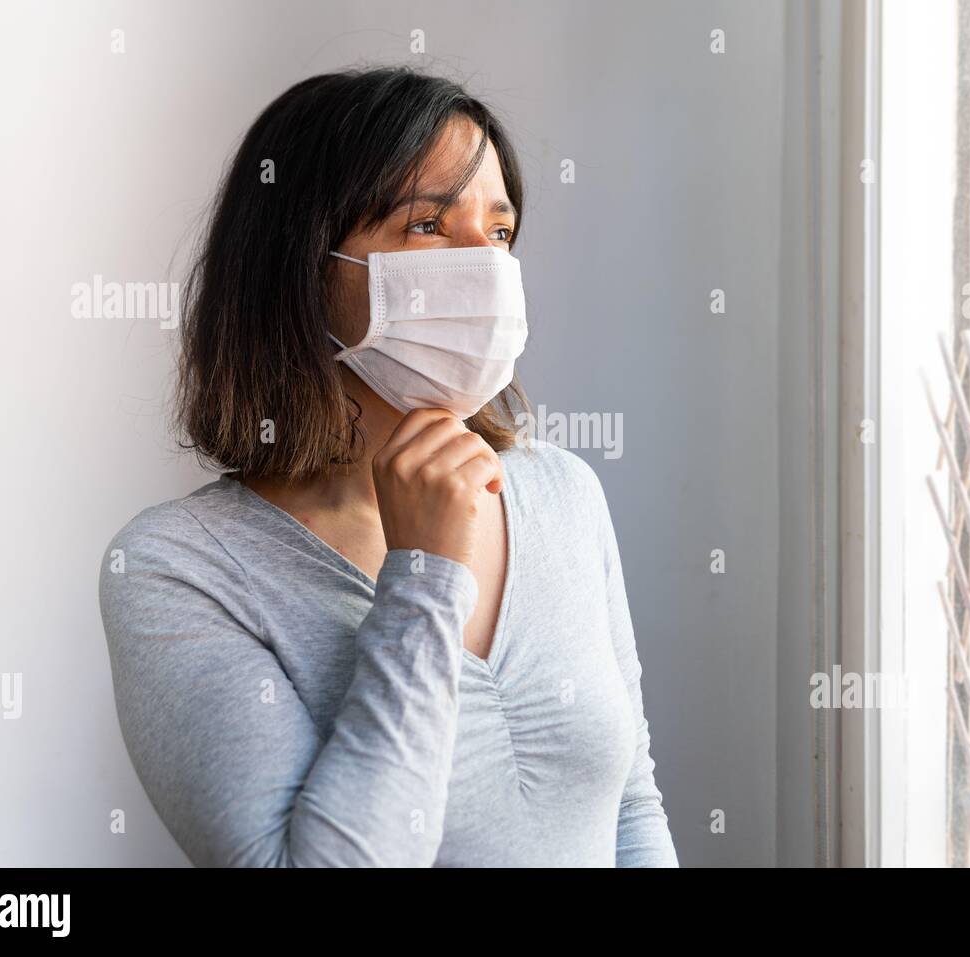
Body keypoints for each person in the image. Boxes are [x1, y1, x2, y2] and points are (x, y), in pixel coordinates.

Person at [97, 66, 678, 867]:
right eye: (430, 226)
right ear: (303, 267)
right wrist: (425, 579)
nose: (487, 266)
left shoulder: (564, 491)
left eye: (499, 231)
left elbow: (632, 807)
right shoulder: (178, 567)